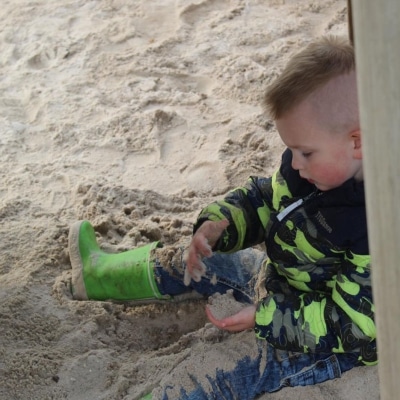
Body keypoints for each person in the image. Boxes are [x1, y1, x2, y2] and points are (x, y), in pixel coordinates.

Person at [68, 36, 376, 400]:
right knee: (200, 259)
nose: (293, 163)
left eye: (305, 152)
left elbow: (354, 326)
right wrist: (217, 227)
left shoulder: (374, 227)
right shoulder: (310, 169)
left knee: (216, 371)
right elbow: (264, 199)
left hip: (324, 344)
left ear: (357, 142)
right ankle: (98, 274)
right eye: (290, 149)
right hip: (280, 281)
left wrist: (264, 317)